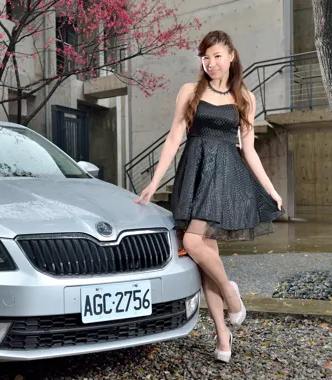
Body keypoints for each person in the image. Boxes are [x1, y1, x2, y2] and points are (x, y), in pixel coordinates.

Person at [134, 30, 285, 363]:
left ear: (231, 55)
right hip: (195, 170)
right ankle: (223, 334)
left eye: (217, 55)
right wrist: (154, 182)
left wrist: (271, 189)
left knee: (194, 241)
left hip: (224, 175)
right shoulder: (190, 91)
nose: (211, 62)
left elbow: (250, 150)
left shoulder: (244, 96)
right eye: (205, 57)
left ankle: (231, 295)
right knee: (204, 257)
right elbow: (174, 137)